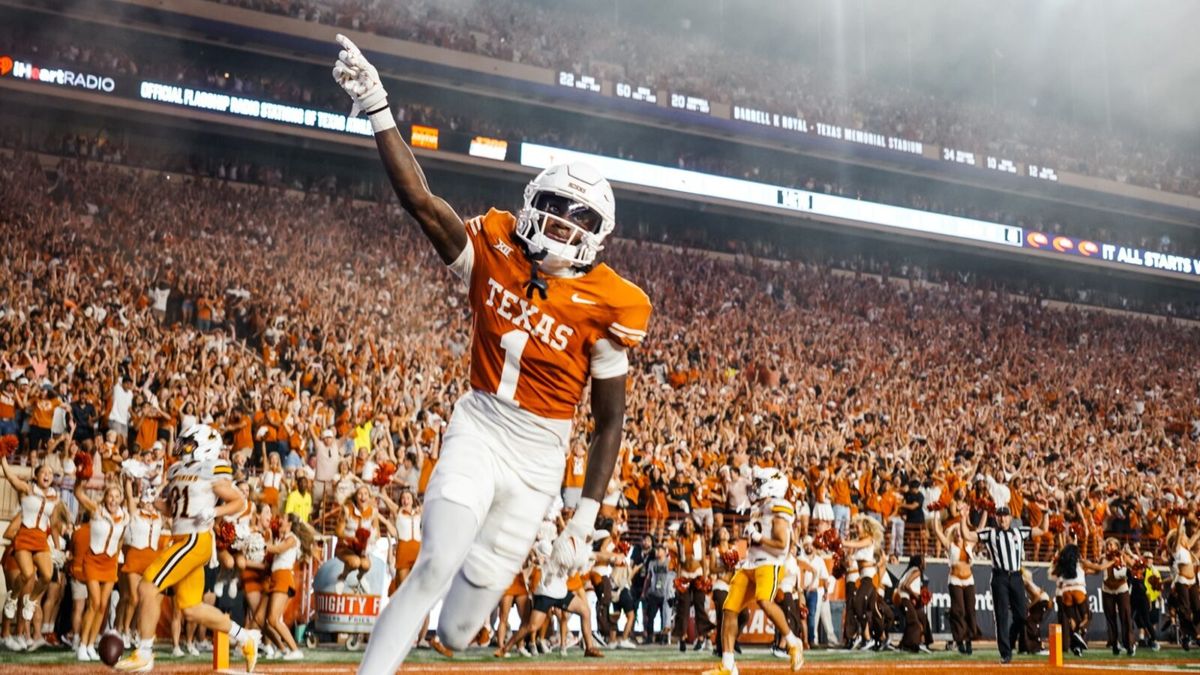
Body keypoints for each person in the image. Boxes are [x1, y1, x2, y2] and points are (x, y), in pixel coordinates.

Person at [332, 35, 651, 675]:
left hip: (539, 458)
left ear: (597, 237)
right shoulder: (494, 245)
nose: (559, 228)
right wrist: (377, 105)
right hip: (481, 424)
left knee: (459, 628)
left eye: (575, 221)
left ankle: (474, 590)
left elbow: (609, 420)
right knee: (432, 564)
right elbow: (421, 201)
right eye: (553, 212)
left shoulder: (616, 302)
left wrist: (583, 515)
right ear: (532, 204)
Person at [115, 424, 260, 672]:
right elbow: (174, 509)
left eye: (190, 443)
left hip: (196, 540)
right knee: (190, 609)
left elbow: (239, 501)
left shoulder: (211, 468)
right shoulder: (177, 470)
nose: (184, 447)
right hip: (182, 537)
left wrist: (215, 511)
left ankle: (144, 653)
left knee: (148, 585)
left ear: (205, 446)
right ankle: (245, 637)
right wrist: (151, 499)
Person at [703, 467, 804, 675]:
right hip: (751, 563)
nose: (755, 487)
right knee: (730, 609)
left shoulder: (778, 507)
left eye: (760, 483)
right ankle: (728, 666)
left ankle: (793, 642)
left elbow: (782, 544)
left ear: (772, 485)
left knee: (764, 600)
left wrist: (758, 538)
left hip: (770, 563)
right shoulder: (759, 507)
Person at [963, 505, 1047, 665]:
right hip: (1000, 576)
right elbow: (967, 534)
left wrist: (1045, 512)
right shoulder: (990, 533)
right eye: (1000, 516)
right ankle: (1005, 653)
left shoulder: (1019, 532)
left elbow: (1043, 529)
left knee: (1022, 615)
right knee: (1001, 616)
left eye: (1005, 516)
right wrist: (963, 516)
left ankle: (1009, 639)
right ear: (996, 518)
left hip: (1016, 576)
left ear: (1010, 518)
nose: (1002, 518)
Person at [73, 479, 127, 661]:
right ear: (105, 498)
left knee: (103, 606)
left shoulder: (124, 516)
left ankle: (90, 646)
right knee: (94, 603)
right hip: (93, 561)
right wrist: (82, 478)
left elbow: (120, 540)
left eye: (117, 496)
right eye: (110, 496)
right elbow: (78, 494)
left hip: (110, 563)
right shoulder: (96, 510)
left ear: (121, 499)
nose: (113, 500)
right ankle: (81, 644)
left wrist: (117, 556)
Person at [934, 506, 979, 654]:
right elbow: (937, 530)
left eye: (961, 532)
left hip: (969, 579)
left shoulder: (969, 545)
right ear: (953, 534)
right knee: (958, 610)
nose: (959, 534)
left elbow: (981, 529)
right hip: (955, 580)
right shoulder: (950, 545)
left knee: (970, 611)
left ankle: (969, 640)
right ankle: (960, 640)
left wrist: (985, 511)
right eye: (957, 533)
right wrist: (936, 512)